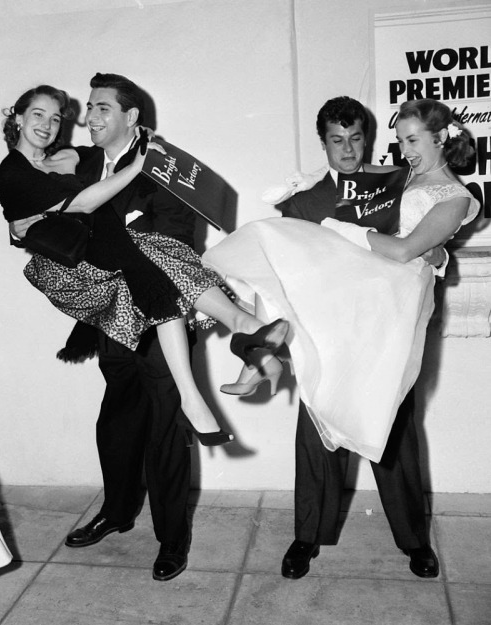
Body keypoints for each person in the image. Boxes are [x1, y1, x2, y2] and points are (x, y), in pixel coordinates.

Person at [0, 78, 288, 580]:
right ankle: (116, 510)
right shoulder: (79, 161)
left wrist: (118, 237)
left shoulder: (166, 170)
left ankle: (172, 539)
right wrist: (20, 224)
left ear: (130, 118)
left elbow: (177, 244)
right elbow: (42, 210)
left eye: (102, 109)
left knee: (165, 429)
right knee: (117, 420)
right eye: (87, 108)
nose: (89, 117)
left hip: (160, 314)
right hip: (110, 315)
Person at [203, 96, 478, 579]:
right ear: (325, 143)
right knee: (317, 421)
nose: (350, 151)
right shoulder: (342, 189)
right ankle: (306, 536)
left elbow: (415, 241)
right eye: (338, 141)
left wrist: (435, 256)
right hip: (334, 319)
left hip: (389, 315)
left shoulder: (423, 187)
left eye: (358, 140)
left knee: (391, 423)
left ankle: (414, 540)